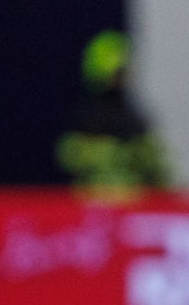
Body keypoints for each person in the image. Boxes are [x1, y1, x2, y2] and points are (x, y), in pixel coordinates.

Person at [57, 30, 171, 201]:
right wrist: (108, 153)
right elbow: (68, 156)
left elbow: (157, 170)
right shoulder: (87, 119)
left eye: (123, 72)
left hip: (133, 209)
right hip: (94, 208)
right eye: (117, 73)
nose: (122, 79)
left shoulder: (133, 119)